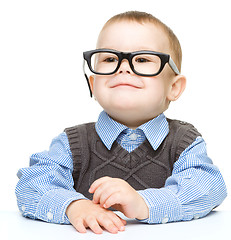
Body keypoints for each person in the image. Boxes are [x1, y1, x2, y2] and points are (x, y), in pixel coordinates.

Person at [15, 11, 227, 234]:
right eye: (110, 59)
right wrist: (73, 206)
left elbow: (208, 187)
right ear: (93, 84)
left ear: (173, 87)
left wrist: (144, 204)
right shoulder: (72, 143)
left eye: (142, 59)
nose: (123, 67)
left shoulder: (184, 142)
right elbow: (31, 183)